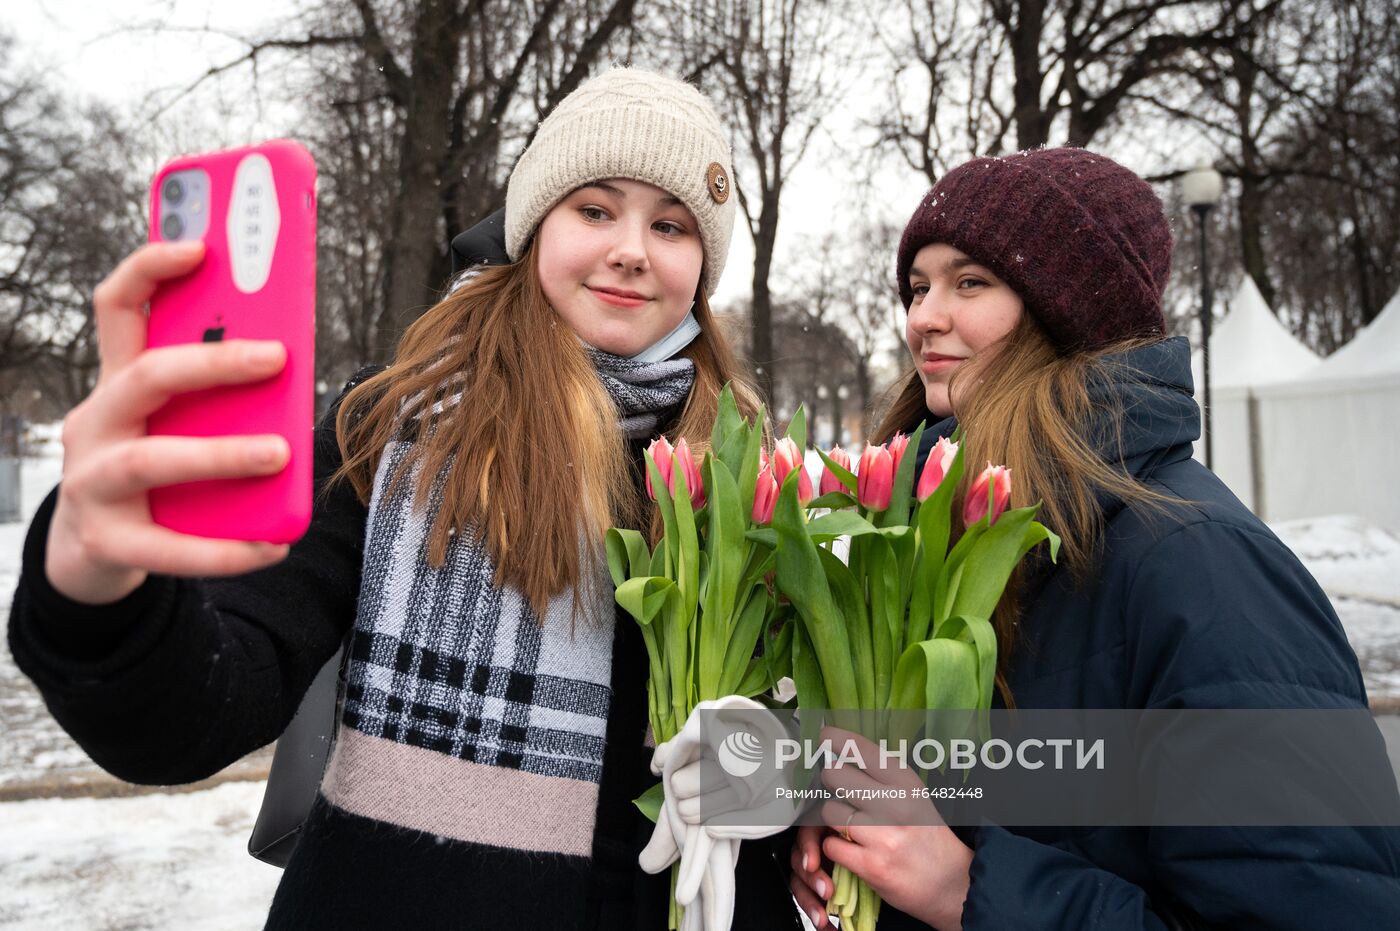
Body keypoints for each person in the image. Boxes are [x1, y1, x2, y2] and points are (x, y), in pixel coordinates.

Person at [9, 67, 803, 930]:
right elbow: (203, 704)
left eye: (672, 224)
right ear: (537, 226)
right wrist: (102, 586)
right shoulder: (396, 428)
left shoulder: (754, 477)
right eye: (596, 209)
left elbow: (807, 754)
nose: (632, 249)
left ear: (703, 264)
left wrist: (765, 776)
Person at [786, 147, 1400, 929]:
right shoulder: (932, 536)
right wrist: (845, 810)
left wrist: (972, 892)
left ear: (1070, 309)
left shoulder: (1203, 565)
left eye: (970, 282)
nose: (922, 317)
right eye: (918, 286)